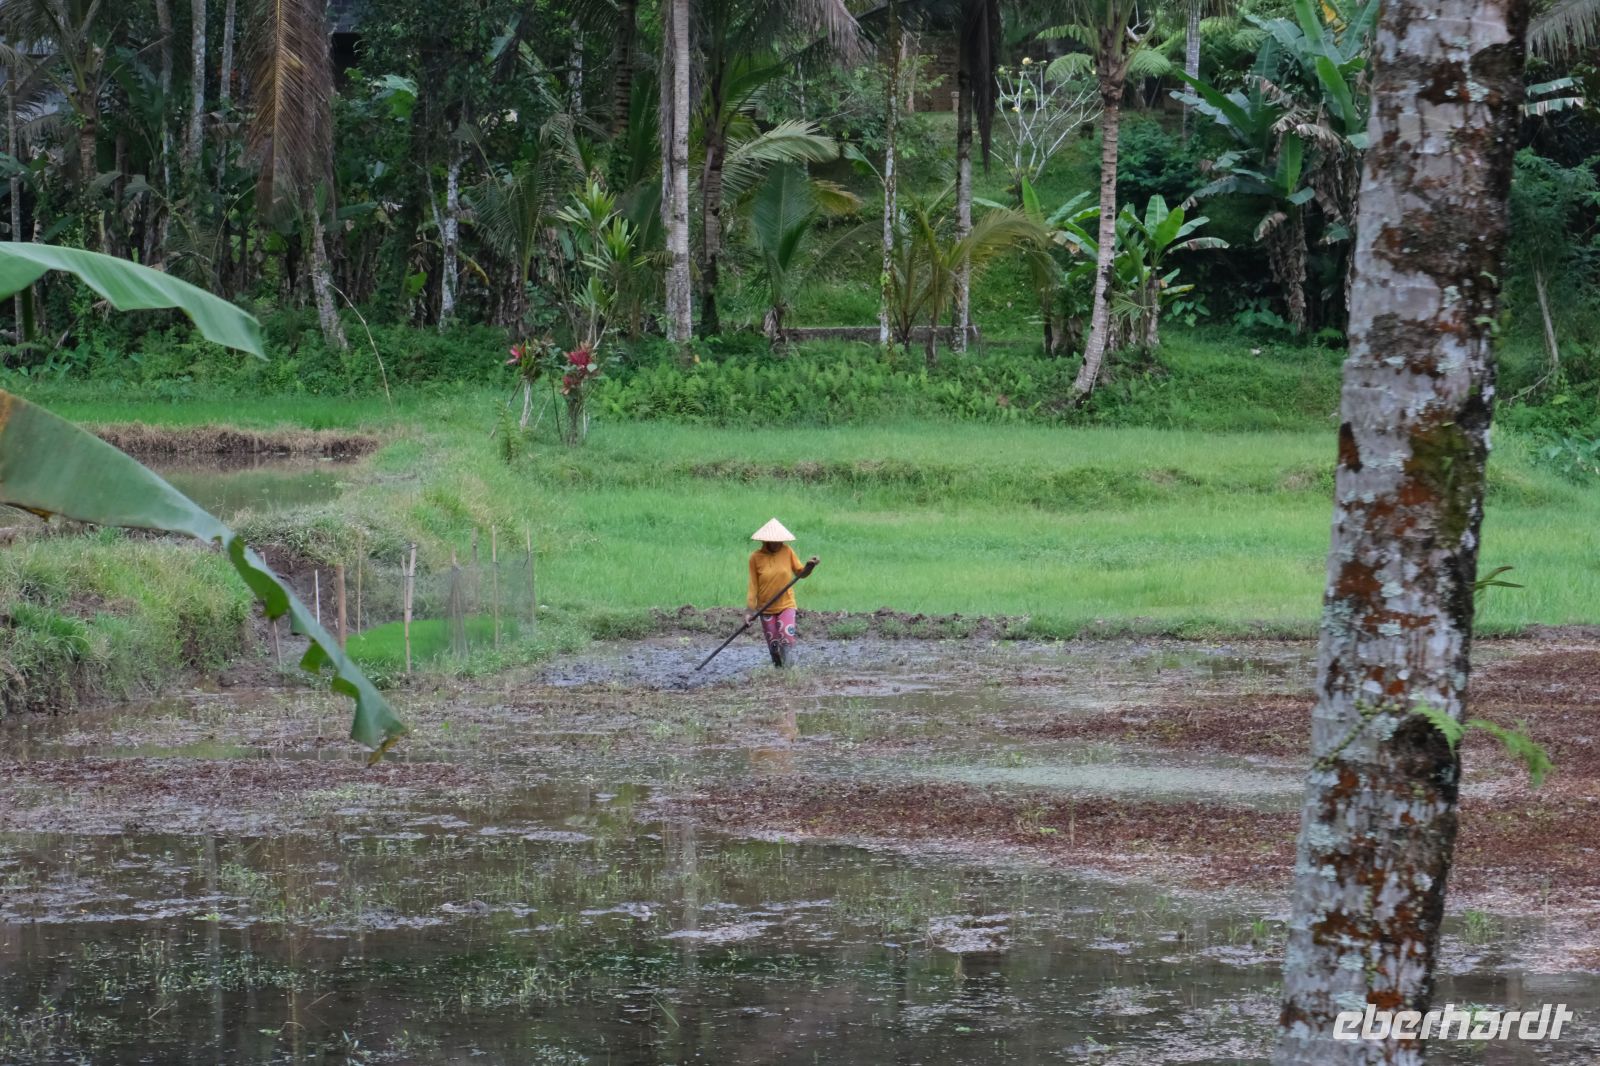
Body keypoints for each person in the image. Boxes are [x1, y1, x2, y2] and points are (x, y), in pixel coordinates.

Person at [746, 518, 819, 668]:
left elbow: (801, 573)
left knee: (786, 637)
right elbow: (753, 586)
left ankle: (789, 670)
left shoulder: (787, 551)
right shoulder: (755, 558)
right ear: (765, 540)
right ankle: (779, 671)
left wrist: (809, 566)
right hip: (765, 608)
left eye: (779, 541)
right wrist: (749, 611)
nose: (776, 544)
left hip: (786, 604)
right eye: (773, 541)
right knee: (773, 644)